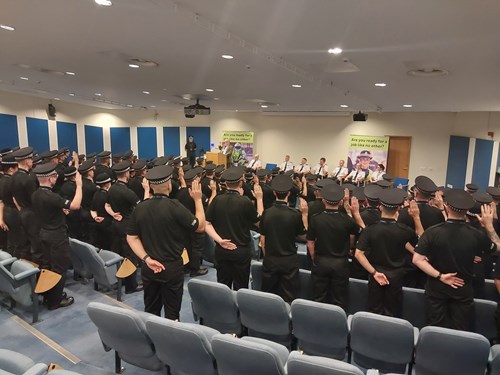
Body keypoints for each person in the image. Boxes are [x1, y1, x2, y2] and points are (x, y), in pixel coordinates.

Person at [127, 165, 206, 319]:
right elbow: (200, 226)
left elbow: (132, 237)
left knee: (151, 310)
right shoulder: (175, 207)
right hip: (172, 267)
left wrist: (147, 259)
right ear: (169, 185)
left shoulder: (140, 208)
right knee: (172, 312)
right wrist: (197, 200)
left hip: (149, 267)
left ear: (150, 186)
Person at [413, 190, 497, 330]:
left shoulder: (432, 232)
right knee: (459, 331)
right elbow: (497, 248)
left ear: (447, 207)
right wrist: (489, 226)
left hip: (436, 289)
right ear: (467, 211)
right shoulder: (477, 235)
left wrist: (440, 276)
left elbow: (417, 260)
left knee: (435, 330)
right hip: (463, 290)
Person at [355, 189, 421, 317]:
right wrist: (416, 218)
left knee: (373, 311)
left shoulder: (370, 229)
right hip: (396, 275)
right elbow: (421, 242)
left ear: (380, 207)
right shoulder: (404, 231)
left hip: (375, 274)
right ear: (398, 209)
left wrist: (374, 272)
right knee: (392, 313)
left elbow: (358, 254)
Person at [31, 156, 82, 310]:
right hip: (56, 236)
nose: (56, 178)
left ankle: (49, 295)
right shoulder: (51, 196)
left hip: (44, 233)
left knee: (47, 266)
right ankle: (55, 301)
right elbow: (75, 205)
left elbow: (48, 210)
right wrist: (79, 186)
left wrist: (59, 210)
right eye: (54, 176)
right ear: (50, 178)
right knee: (59, 268)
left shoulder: (36, 194)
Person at [205, 167, 264, 290]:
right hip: (240, 250)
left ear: (225, 184)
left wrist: (220, 240)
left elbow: (207, 224)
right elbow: (259, 223)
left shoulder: (217, 200)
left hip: (221, 249)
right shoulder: (245, 201)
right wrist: (259, 199)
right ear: (240, 183)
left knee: (223, 286)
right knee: (240, 287)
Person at [307, 183, 361, 309]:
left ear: (324, 201)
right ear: (341, 201)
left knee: (318, 298)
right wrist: (349, 247)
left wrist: (315, 257)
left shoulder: (316, 219)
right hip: (340, 263)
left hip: (321, 260)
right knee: (339, 299)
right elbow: (357, 233)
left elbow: (310, 242)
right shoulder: (347, 220)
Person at [260, 175, 308, 302]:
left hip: (270, 258)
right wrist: (305, 215)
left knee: (268, 296)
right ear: (288, 193)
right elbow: (304, 236)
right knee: (288, 296)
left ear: (274, 193)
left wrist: (267, 256)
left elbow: (262, 240)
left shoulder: (267, 213)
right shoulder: (295, 214)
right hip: (289, 260)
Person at [398, 176, 445, 288]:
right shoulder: (437, 213)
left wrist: (415, 252)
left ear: (415, 192)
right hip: (429, 259)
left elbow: (400, 238)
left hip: (408, 258)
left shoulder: (405, 212)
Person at [106, 161, 142, 294]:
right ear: (126, 173)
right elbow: (140, 208)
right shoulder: (127, 192)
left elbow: (108, 205)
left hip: (116, 224)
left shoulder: (112, 189)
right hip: (127, 224)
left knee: (119, 254)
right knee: (130, 256)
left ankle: (122, 279)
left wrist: (114, 215)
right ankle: (131, 285)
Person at [177, 168, 215, 277]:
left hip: (184, 225)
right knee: (197, 248)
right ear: (195, 180)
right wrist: (214, 192)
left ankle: (186, 267)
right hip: (197, 223)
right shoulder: (198, 195)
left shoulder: (180, 192)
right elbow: (210, 204)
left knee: (186, 247)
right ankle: (195, 269)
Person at [11, 147, 43, 262]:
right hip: (32, 214)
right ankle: (38, 273)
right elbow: (35, 200)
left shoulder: (13, 176)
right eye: (30, 159)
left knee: (24, 245)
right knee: (37, 246)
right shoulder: (27, 179)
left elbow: (14, 197)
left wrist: (21, 208)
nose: (32, 161)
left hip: (22, 212)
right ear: (26, 161)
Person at [0, 154, 23, 256]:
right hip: (15, 212)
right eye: (17, 167)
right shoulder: (13, 182)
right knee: (18, 241)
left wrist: (1, 218)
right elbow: (16, 200)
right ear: (11, 169)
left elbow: (1, 202)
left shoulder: (1, 180)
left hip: (6, 212)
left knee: (10, 240)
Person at [90, 173, 114, 250]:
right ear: (107, 184)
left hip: (98, 223)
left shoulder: (96, 194)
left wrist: (95, 217)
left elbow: (93, 210)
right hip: (108, 224)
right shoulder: (109, 195)